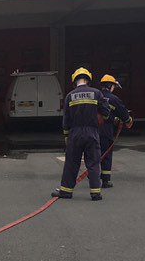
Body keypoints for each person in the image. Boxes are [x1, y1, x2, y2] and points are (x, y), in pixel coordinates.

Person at [52, 67, 111, 201]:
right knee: (93, 163)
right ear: (88, 80)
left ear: (75, 81)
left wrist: (66, 136)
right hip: (92, 132)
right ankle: (95, 193)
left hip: (75, 133)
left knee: (72, 162)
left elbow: (66, 119)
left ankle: (66, 191)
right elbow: (106, 112)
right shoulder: (97, 93)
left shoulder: (70, 96)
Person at [98, 74, 134, 187]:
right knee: (106, 155)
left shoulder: (95, 96)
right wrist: (128, 120)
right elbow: (124, 114)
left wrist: (113, 118)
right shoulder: (114, 99)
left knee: (94, 154)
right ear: (111, 86)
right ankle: (105, 180)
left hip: (93, 130)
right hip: (106, 131)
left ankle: (93, 175)